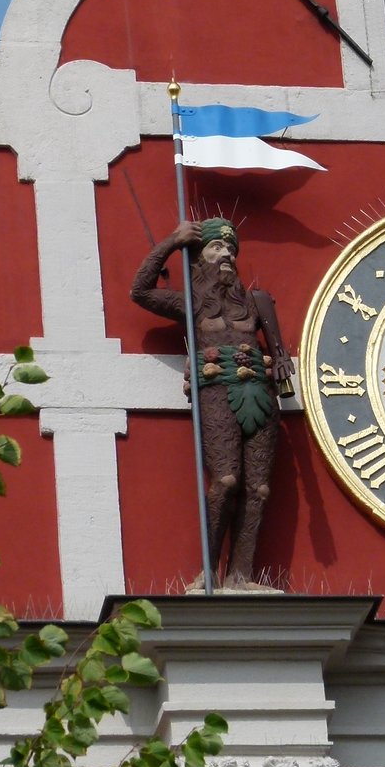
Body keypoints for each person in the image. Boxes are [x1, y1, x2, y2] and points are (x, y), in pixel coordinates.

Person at [131, 218, 291, 588]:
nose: (227, 255)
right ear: (199, 256)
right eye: (217, 247)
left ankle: (241, 575)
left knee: (259, 489)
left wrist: (281, 362)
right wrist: (172, 241)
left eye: (231, 249)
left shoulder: (256, 300)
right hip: (216, 388)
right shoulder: (191, 301)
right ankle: (209, 569)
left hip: (260, 391)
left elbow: (278, 348)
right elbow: (139, 291)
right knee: (226, 478)